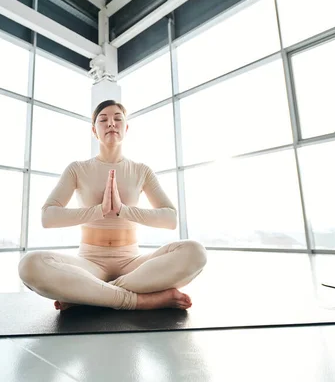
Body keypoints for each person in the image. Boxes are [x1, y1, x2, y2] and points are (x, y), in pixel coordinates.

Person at [18, 100, 207, 311]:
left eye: (118, 119)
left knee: (196, 252)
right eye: (103, 119)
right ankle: (140, 301)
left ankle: (92, 294)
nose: (111, 124)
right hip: (89, 264)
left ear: (125, 129)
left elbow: (170, 219)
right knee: (29, 265)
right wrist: (98, 211)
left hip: (134, 265)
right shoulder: (77, 169)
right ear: (94, 130)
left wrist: (123, 210)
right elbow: (48, 217)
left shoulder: (141, 170)